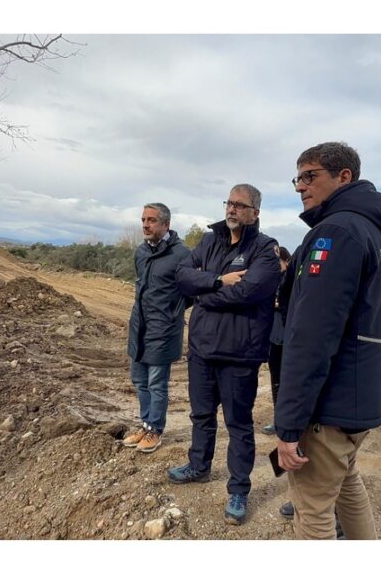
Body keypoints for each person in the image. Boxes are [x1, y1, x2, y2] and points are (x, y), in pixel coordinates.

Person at [275, 141, 381, 540]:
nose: (300, 186)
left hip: (329, 406)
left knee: (312, 509)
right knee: (347, 484)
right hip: (360, 400)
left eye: (310, 176)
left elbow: (311, 336)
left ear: (344, 176)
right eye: (297, 178)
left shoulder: (336, 232)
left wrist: (289, 424)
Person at [168, 183, 283, 525]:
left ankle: (239, 489)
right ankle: (199, 466)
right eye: (229, 203)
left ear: (255, 212)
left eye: (240, 204)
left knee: (238, 425)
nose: (232, 209)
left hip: (239, 354)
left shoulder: (265, 250)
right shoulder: (208, 241)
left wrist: (204, 292)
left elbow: (249, 292)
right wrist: (218, 281)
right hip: (202, 349)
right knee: (201, 416)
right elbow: (182, 276)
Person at [123, 203, 191, 453]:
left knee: (156, 383)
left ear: (166, 225)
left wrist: (171, 313)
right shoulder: (140, 252)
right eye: (143, 219)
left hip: (163, 330)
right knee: (139, 380)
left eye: (151, 220)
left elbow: (191, 291)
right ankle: (144, 423)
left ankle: (155, 430)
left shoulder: (182, 254)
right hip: (139, 325)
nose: (145, 224)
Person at [261, 245, 291, 436]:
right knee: (276, 379)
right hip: (273, 337)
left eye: (278, 262)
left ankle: (287, 421)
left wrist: (279, 304)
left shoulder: (293, 279)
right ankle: (278, 419)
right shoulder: (271, 279)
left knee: (287, 380)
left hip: (287, 337)